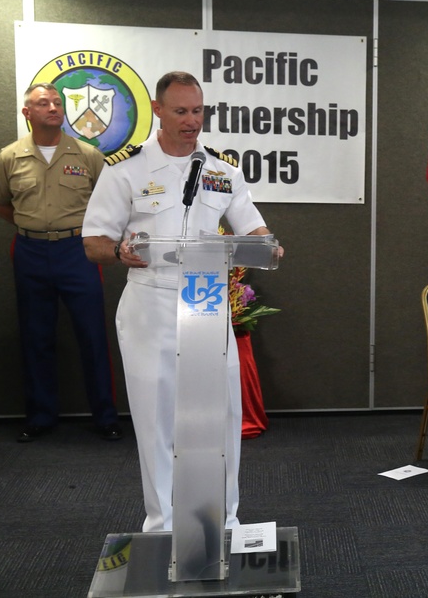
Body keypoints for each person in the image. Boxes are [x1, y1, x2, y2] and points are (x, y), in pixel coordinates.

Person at [82, 71, 283, 532]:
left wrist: (267, 244)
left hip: (206, 302)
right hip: (150, 303)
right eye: (181, 111)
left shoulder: (221, 171)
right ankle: (163, 525)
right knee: (157, 418)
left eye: (198, 111)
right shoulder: (126, 171)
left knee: (224, 414)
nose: (192, 121)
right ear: (158, 110)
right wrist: (118, 252)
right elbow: (93, 241)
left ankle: (224, 520)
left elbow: (254, 228)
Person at [0, 83, 121, 443]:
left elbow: (109, 206)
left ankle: (106, 417)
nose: (53, 107)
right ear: (27, 113)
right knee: (36, 336)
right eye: (43, 103)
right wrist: (35, 225)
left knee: (92, 336)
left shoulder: (88, 155)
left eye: (57, 102)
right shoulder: (10, 157)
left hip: (78, 251)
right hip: (30, 252)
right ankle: (41, 416)